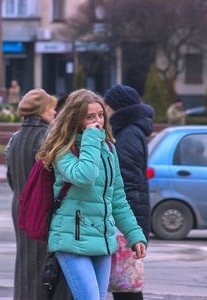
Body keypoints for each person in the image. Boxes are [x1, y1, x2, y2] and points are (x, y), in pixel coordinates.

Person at [36, 89, 147, 300]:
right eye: (90, 116)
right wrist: (91, 138)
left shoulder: (108, 149)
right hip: (71, 238)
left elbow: (118, 199)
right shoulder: (62, 148)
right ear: (76, 119)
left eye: (101, 114)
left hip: (102, 239)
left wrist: (134, 234)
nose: (98, 121)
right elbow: (84, 176)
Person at [103, 84, 153, 300]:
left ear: (116, 107)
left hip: (127, 220)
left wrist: (125, 227)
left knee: (125, 286)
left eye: (106, 104)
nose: (103, 108)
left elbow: (127, 182)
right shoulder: (130, 130)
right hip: (131, 218)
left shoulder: (128, 133)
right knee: (123, 284)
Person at [6, 88, 57, 300]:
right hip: (42, 209)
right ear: (42, 112)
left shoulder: (15, 138)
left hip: (20, 206)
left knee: (25, 261)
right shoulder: (47, 137)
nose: (54, 113)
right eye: (52, 109)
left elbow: (10, 175)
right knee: (43, 263)